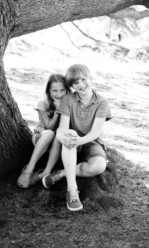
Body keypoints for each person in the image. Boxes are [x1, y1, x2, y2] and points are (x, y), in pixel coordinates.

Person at [42, 64, 112, 211]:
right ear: (72, 85)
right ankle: (72, 191)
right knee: (70, 134)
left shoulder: (102, 102)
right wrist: (63, 136)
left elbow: (95, 132)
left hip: (91, 141)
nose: (80, 85)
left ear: (90, 78)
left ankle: (61, 173)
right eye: (75, 82)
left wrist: (80, 140)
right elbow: (62, 128)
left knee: (99, 166)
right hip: (71, 142)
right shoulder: (68, 99)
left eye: (83, 79)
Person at [17, 74, 70, 188]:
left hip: (57, 144)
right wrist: (57, 112)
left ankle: (46, 172)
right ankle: (29, 169)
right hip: (41, 138)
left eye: (62, 90)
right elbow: (49, 127)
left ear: (67, 90)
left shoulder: (70, 105)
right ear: (48, 91)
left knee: (58, 136)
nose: (59, 94)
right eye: (55, 91)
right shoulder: (43, 104)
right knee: (51, 133)